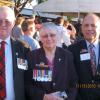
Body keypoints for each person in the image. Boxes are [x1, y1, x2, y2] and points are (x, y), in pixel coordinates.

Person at [25, 22, 78, 100]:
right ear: (40, 38)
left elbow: (73, 83)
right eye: (45, 36)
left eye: (52, 35)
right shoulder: (31, 56)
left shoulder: (67, 56)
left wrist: (62, 97)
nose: (49, 38)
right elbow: (26, 84)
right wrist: (44, 97)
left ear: (57, 36)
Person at [0, 6, 29, 100]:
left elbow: (29, 78)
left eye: (7, 21)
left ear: (13, 23)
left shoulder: (23, 48)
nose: (3, 24)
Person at [68, 13, 100, 100]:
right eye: (86, 25)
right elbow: (69, 78)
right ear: (82, 28)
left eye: (93, 25)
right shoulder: (71, 50)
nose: (89, 28)